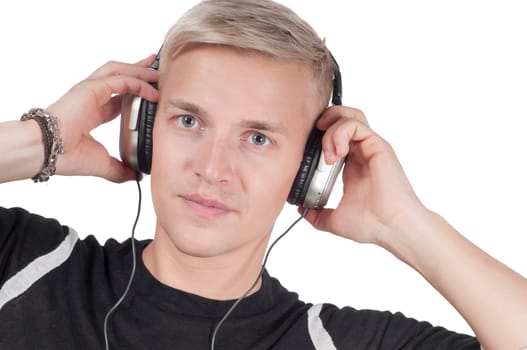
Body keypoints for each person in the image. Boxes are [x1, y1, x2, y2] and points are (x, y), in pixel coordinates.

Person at [0, 0, 526, 349]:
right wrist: (39, 139)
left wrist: (403, 222)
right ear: (145, 130)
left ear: (310, 166)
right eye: (189, 121)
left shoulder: (336, 341)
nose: (212, 168)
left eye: (257, 138)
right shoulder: (26, 262)